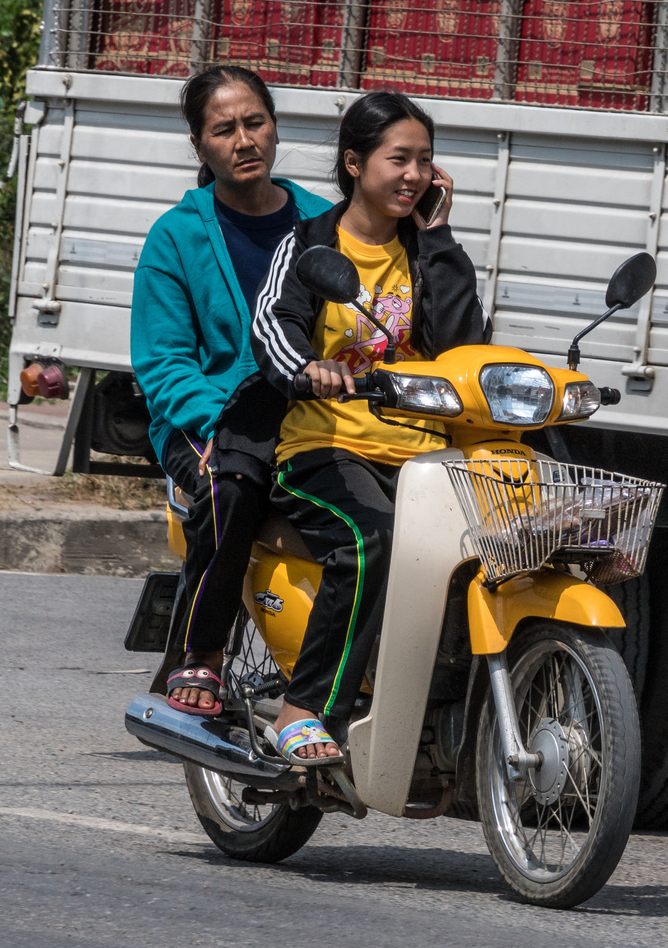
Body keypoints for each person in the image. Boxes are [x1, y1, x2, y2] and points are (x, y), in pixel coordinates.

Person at [251, 91, 487, 762]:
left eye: (425, 162)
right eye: (398, 159)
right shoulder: (313, 244)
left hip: (423, 452)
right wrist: (307, 369)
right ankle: (304, 710)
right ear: (355, 163)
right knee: (370, 539)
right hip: (326, 444)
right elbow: (274, 324)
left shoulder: (429, 252)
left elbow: (468, 342)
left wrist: (439, 238)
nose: (413, 175)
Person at [132, 66, 333, 716]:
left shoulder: (326, 223)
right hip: (202, 417)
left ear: (274, 128)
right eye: (225, 129)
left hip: (307, 416)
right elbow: (162, 365)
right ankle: (203, 654)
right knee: (233, 485)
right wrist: (227, 424)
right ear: (200, 146)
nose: (244, 140)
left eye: (255, 123)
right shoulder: (176, 237)